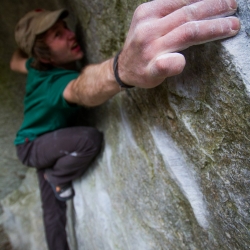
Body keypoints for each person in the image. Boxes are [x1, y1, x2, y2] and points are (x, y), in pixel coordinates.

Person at [10, 1, 240, 249]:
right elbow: (79, 89)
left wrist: (26, 48)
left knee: (53, 214)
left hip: (48, 144)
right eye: (57, 35)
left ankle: (54, 186)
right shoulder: (54, 85)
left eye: (64, 27)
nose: (69, 34)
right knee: (88, 140)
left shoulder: (33, 66)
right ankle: (55, 174)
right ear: (43, 53)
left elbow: (15, 60)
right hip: (32, 146)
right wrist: (120, 70)